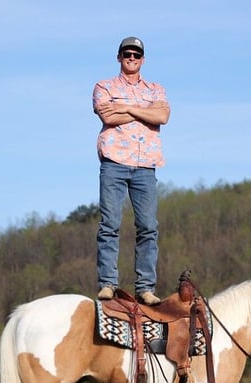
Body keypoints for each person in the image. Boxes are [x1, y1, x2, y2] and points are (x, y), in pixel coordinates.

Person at [92, 36, 170, 305]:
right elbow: (108, 117)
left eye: (137, 55)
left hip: (145, 165)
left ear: (143, 59)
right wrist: (142, 111)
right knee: (110, 224)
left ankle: (145, 288)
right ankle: (107, 283)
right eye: (127, 54)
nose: (132, 58)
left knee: (148, 227)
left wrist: (124, 106)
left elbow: (163, 117)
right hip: (114, 162)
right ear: (119, 57)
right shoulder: (104, 86)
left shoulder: (156, 89)